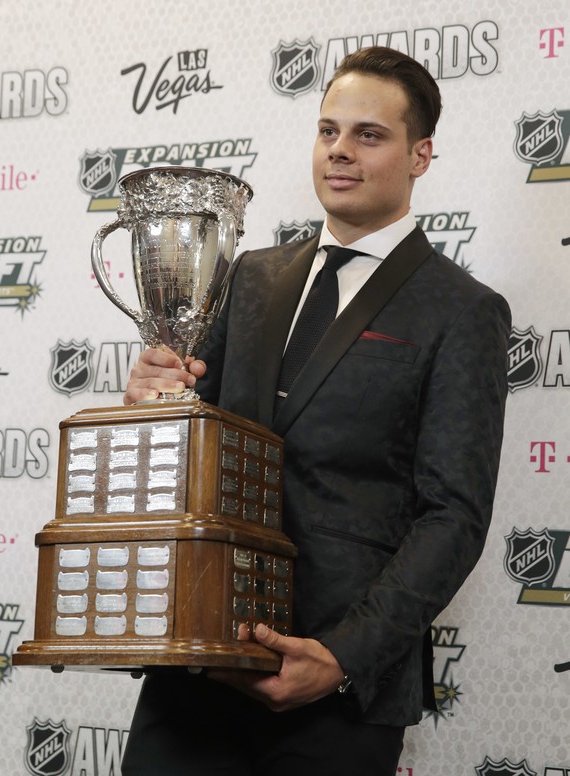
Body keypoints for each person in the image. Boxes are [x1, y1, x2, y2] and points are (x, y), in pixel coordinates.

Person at [121, 46, 511, 775]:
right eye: (328, 130)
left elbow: (453, 515)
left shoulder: (464, 313)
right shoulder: (251, 276)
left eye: (369, 135)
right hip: (199, 660)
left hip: (334, 691)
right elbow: (193, 444)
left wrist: (341, 658)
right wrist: (154, 402)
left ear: (420, 154)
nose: (340, 150)